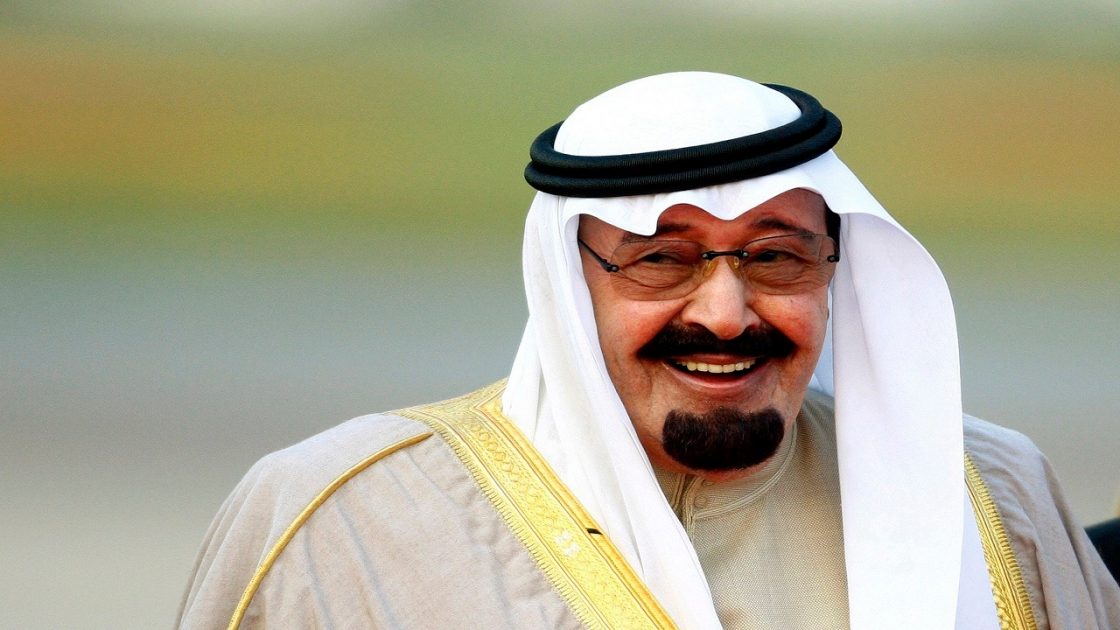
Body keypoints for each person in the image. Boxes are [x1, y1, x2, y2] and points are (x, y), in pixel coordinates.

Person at [177, 72, 1120, 629]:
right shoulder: (348, 518)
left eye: (776, 256)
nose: (726, 313)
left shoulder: (992, 494)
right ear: (570, 281)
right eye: (660, 261)